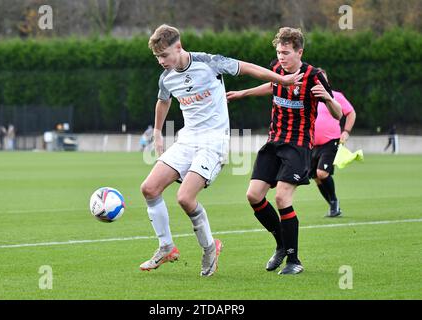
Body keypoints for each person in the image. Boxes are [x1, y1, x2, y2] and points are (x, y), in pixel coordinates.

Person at [139, 24, 303, 277]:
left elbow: (247, 68)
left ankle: (209, 249)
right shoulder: (167, 76)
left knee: (185, 198)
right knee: (149, 189)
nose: (161, 61)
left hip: (213, 143)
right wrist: (159, 133)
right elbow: (163, 101)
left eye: (164, 55)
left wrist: (281, 79)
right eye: (157, 57)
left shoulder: (210, 63)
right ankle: (166, 247)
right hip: (187, 140)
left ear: (178, 47)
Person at [226, 27, 342, 275]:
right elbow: (272, 86)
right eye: (279, 52)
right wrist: (243, 93)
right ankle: (281, 245)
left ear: (300, 52)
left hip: (298, 146)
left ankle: (294, 261)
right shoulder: (277, 70)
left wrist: (329, 100)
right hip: (273, 143)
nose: (281, 57)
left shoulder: (313, 77)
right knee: (253, 196)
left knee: (281, 198)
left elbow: (338, 114)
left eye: (286, 52)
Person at [310, 69, 356, 217]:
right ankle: (333, 207)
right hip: (311, 144)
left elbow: (351, 113)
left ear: (326, 81)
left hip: (331, 142)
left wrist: (346, 131)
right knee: (316, 178)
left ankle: (334, 202)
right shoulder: (309, 97)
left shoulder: (336, 96)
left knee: (322, 173)